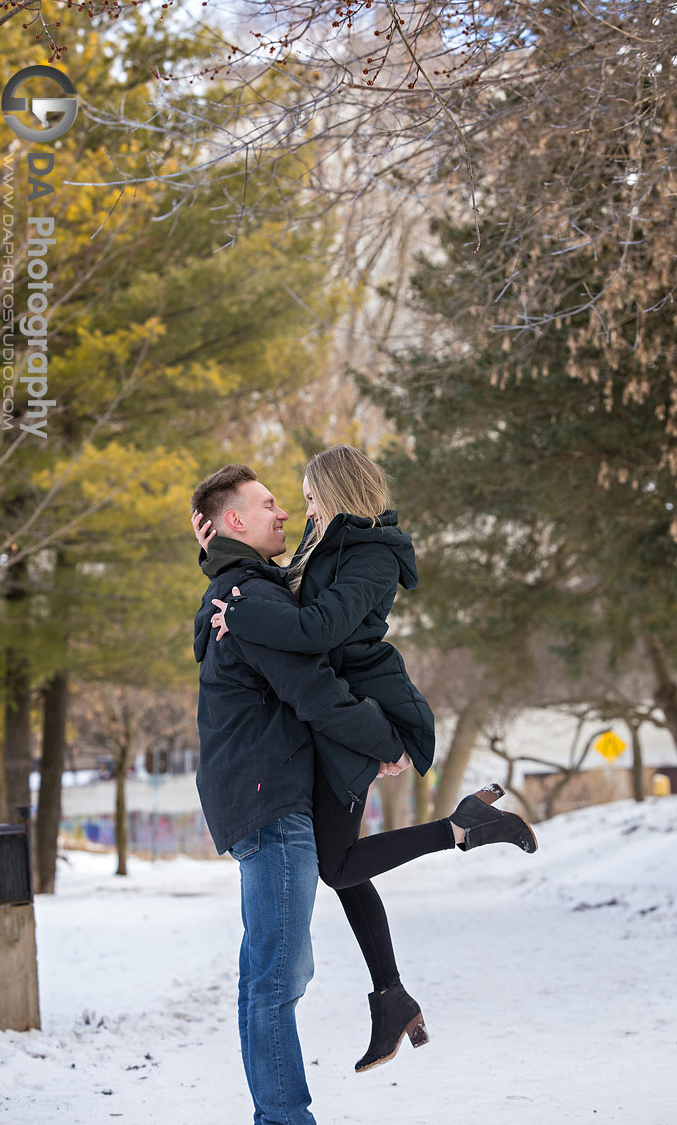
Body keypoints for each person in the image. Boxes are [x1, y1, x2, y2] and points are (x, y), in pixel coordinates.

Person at [192, 445, 538, 1078]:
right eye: (284, 501)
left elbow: (316, 629)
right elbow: (271, 600)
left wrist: (239, 609)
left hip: (366, 711)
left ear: (335, 490)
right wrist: (217, 554)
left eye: (307, 496)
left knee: (338, 863)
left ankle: (457, 835)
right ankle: (392, 994)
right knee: (338, 862)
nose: (300, 509)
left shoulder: (373, 554)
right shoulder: (325, 549)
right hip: (339, 716)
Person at [191, 462, 408, 1125]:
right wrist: (386, 741)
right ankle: (285, 1119)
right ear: (234, 523)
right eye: (266, 505)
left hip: (259, 796)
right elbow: (312, 688)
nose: (283, 513)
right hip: (271, 799)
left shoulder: (241, 587)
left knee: (266, 977)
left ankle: (277, 1116)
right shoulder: (248, 595)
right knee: (276, 981)